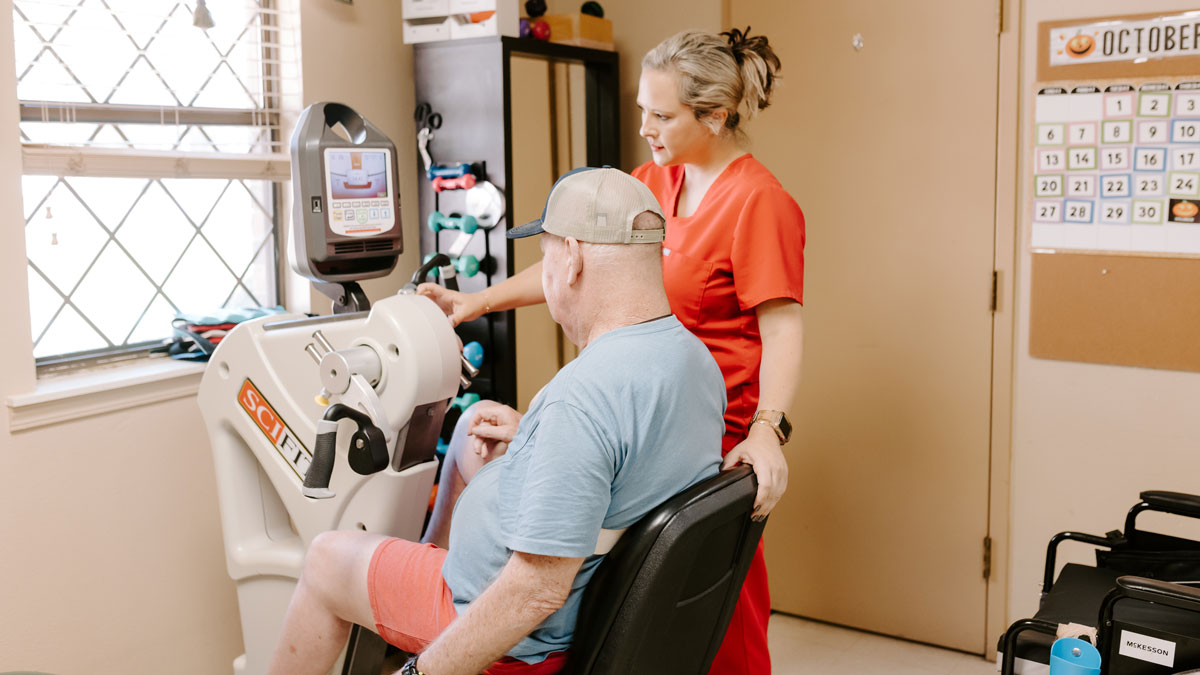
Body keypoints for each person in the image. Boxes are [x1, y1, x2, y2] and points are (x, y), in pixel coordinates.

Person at [419, 28, 805, 674]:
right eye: (641, 109)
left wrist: (769, 429)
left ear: (715, 115)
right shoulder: (652, 181)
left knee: (715, 624)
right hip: (639, 427)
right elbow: (574, 262)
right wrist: (475, 303)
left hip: (710, 438)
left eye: (663, 115)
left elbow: (783, 328)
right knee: (632, 616)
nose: (645, 127)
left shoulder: (759, 202)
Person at [267, 167, 727, 675]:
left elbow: (535, 592)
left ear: (572, 258)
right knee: (473, 431)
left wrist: (418, 673)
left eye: (546, 254)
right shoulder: (695, 362)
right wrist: (534, 434)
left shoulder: (582, 399)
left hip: (511, 634)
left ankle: (414, 603)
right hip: (594, 592)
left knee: (326, 557)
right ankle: (417, 569)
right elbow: (633, 455)